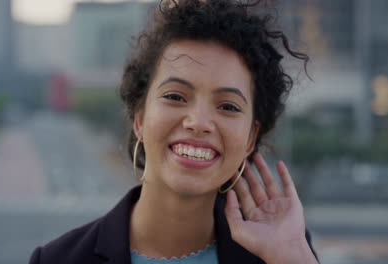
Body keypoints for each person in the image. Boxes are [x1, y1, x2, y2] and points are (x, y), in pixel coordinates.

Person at [29, 0, 319, 263]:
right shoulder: (58, 260)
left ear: (250, 139)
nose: (199, 122)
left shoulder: (276, 253)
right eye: (176, 97)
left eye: (228, 106)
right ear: (139, 117)